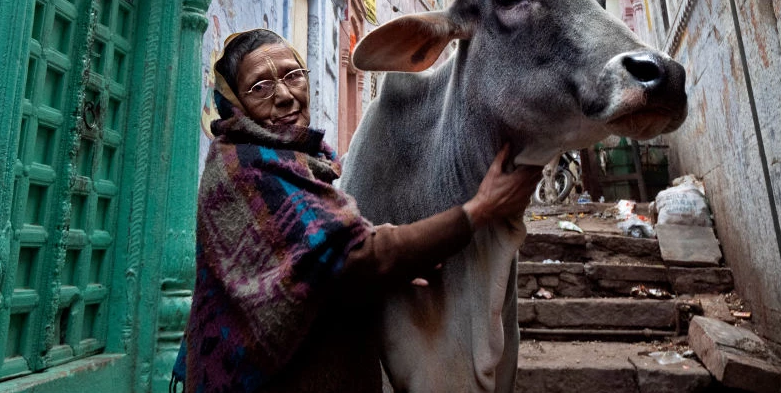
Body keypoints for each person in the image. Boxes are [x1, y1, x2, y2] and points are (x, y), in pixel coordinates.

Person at [172, 29, 541, 393]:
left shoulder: (304, 161)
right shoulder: (244, 168)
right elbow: (350, 258)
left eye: (293, 75)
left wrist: (397, 264)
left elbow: (324, 258)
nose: (284, 96)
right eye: (260, 87)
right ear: (235, 104)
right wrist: (479, 210)